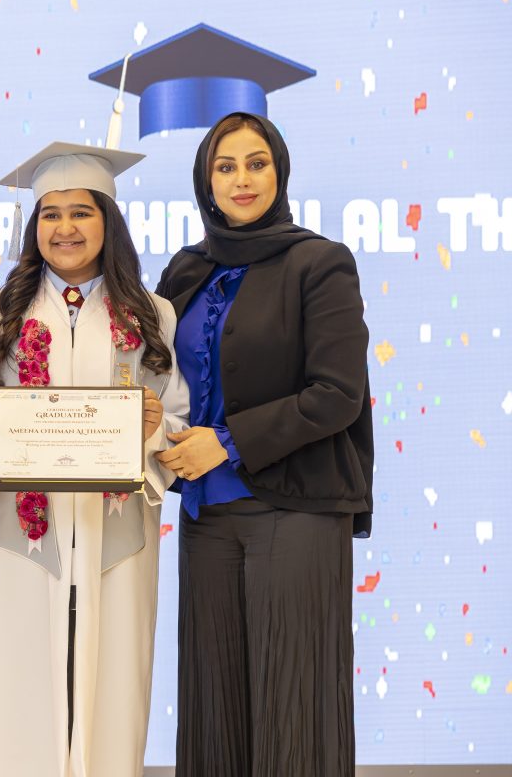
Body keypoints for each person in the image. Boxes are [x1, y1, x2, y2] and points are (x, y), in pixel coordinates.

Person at [0, 141, 190, 777]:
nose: (65, 228)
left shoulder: (152, 315)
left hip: (117, 536)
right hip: (21, 540)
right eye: (51, 214)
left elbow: (179, 419)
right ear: (34, 226)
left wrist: (153, 430)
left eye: (81, 212)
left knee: (112, 693)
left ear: (107, 222)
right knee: (19, 693)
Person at [154, 112, 373, 777]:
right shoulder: (186, 271)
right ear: (206, 180)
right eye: (225, 166)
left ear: (280, 173)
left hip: (296, 507)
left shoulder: (320, 263)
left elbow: (336, 394)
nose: (241, 179)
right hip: (207, 516)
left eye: (257, 163)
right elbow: (149, 374)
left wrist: (226, 443)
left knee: (292, 709)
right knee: (214, 713)